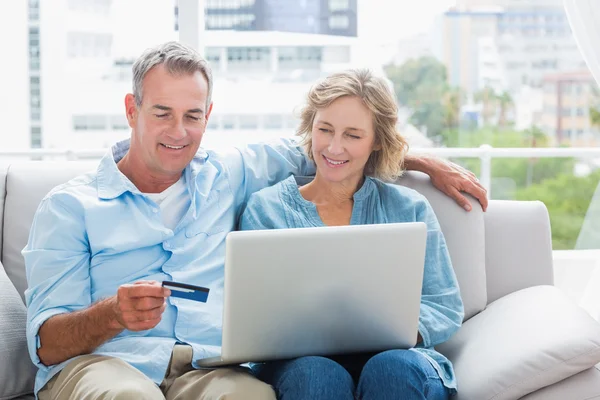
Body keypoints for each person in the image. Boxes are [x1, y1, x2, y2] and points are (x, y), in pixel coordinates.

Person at [23, 42, 482, 400]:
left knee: (252, 395)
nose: (178, 132)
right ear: (131, 110)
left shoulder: (226, 174)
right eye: (162, 113)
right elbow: (44, 344)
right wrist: (110, 315)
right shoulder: (69, 206)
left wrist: (415, 160)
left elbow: (331, 151)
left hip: (205, 368)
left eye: (192, 115)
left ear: (208, 117)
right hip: (110, 363)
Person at [239, 69, 463, 400]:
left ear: (376, 142)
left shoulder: (409, 210)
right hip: (301, 366)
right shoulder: (266, 210)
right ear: (310, 129)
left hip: (399, 362)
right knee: (317, 375)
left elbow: (443, 304)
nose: (334, 147)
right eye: (324, 130)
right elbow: (253, 317)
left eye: (353, 135)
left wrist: (387, 332)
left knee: (389, 369)